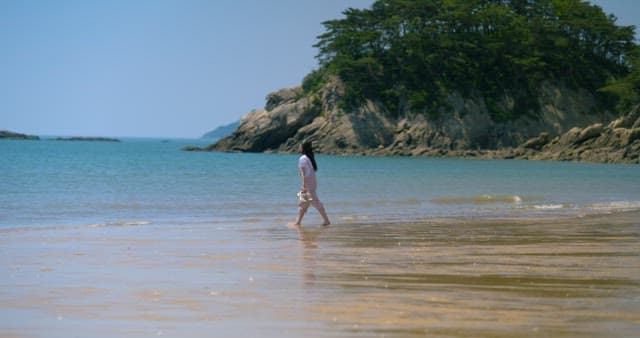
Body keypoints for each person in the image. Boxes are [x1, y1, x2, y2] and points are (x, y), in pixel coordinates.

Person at [293, 141, 330, 226]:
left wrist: (303, 185)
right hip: (312, 182)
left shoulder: (302, 158)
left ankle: (326, 221)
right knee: (304, 202)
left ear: (303, 148)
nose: (299, 147)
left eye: (300, 146)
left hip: (308, 183)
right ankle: (298, 222)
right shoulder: (309, 158)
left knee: (312, 202)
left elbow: (303, 174)